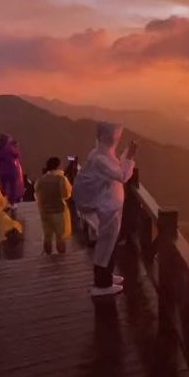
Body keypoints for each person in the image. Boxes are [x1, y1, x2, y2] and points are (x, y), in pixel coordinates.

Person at [73, 122, 137, 297]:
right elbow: (122, 175)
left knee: (110, 243)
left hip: (109, 205)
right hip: (106, 207)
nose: (115, 139)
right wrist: (130, 156)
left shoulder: (101, 155)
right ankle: (102, 284)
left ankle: (107, 275)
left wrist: (126, 155)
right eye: (115, 136)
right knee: (106, 244)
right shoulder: (100, 159)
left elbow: (117, 170)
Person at [35, 157, 73, 255]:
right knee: (60, 236)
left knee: (47, 235)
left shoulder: (41, 180)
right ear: (58, 166)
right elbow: (66, 194)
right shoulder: (61, 179)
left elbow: (37, 195)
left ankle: (48, 256)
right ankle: (61, 257)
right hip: (58, 211)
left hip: (45, 212)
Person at [0, 134, 25, 207]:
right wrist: (15, 146)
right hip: (12, 170)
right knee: (13, 187)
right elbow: (17, 154)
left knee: (4, 187)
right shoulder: (9, 148)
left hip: (3, 171)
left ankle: (4, 202)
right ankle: (12, 202)